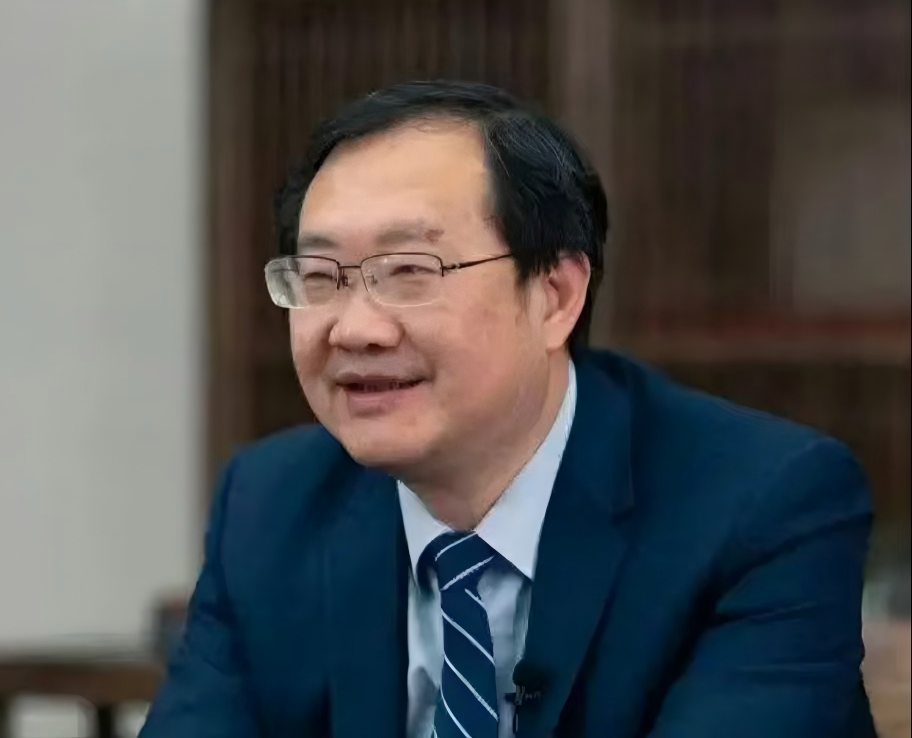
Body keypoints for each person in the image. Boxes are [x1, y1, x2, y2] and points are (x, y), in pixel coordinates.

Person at [140, 81, 875, 737]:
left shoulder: (759, 506)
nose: (356, 329)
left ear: (555, 296)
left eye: (409, 271)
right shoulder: (271, 509)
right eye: (321, 276)